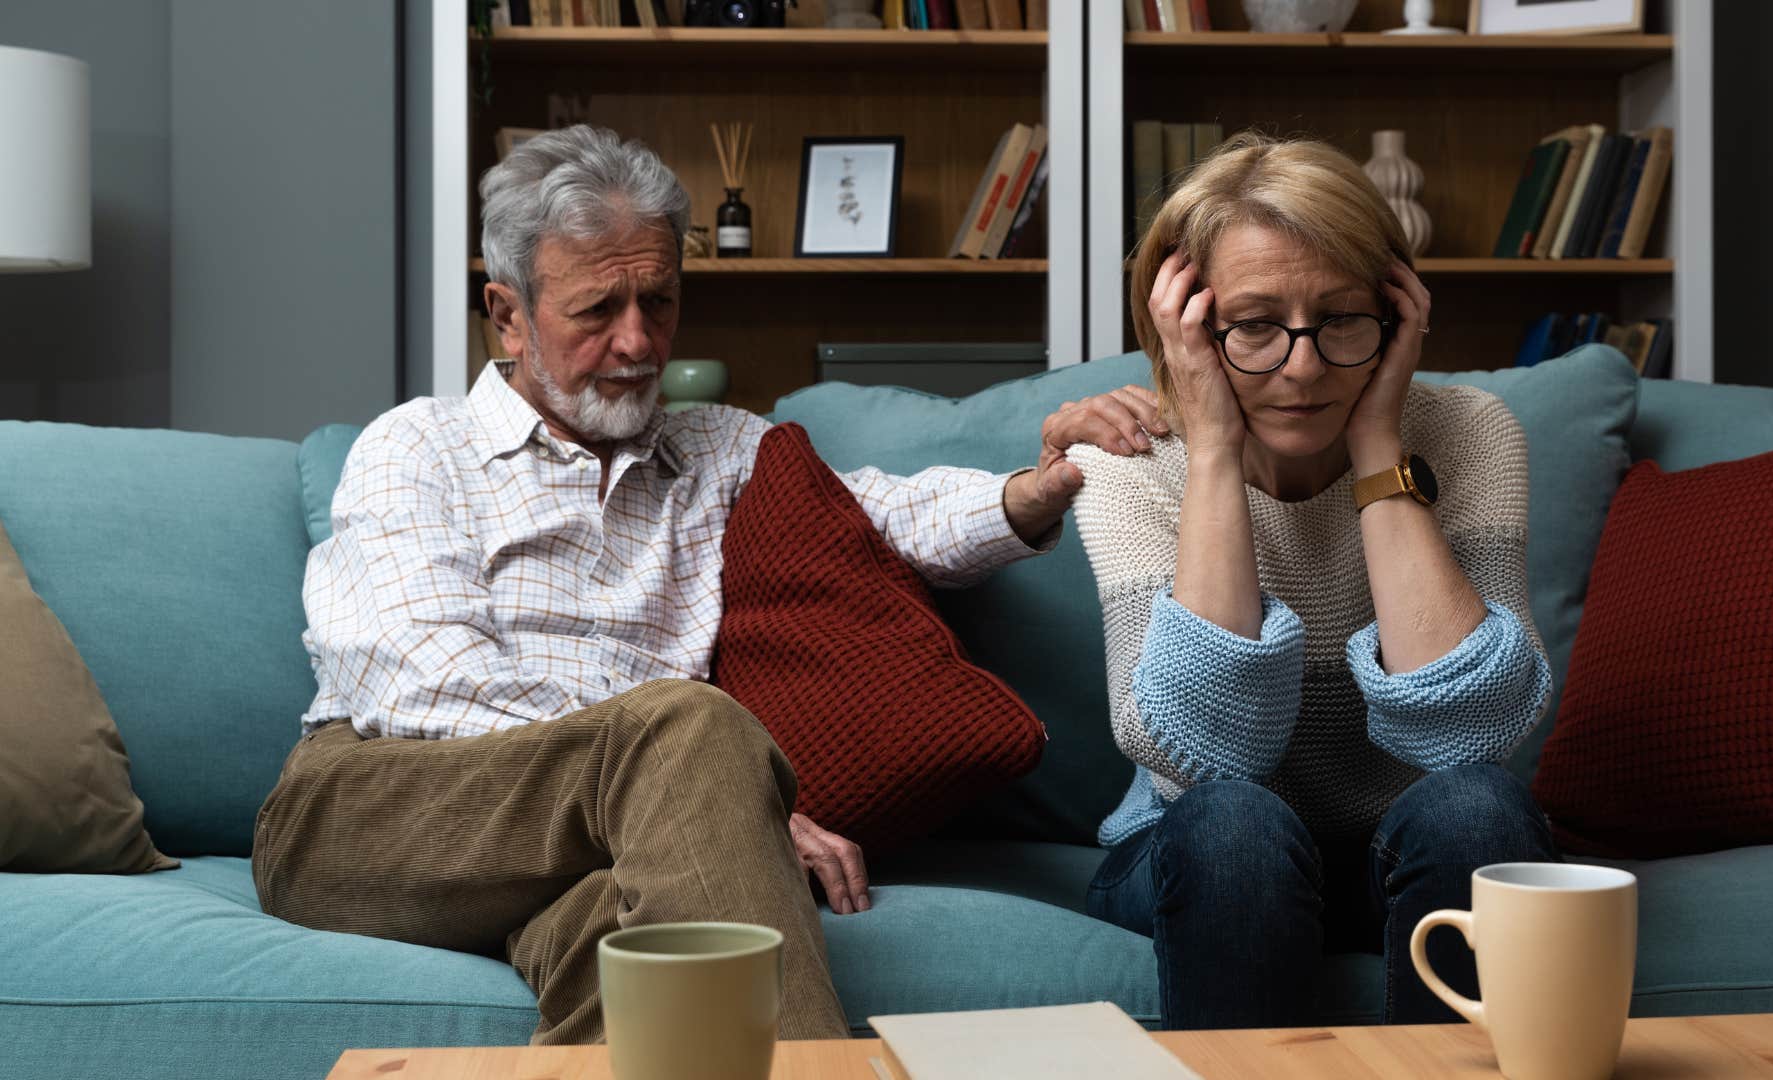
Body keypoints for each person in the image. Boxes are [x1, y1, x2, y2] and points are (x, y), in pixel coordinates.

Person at [250, 125, 1157, 1045]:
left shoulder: (717, 448)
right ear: (509, 314)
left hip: (607, 838)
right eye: (598, 309)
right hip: (378, 805)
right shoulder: (418, 446)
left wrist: (1037, 489)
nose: (639, 341)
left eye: (660, 301)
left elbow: (887, 517)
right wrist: (721, 796)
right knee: (692, 724)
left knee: (645, 955)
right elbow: (424, 682)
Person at [1065, 133, 1560, 1030]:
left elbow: (1473, 732)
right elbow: (1199, 754)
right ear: (1184, 324)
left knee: (1479, 807)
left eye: (1342, 319)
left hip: (1402, 850)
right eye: (1254, 324)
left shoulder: (1473, 433)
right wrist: (1212, 451)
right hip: (1198, 852)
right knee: (1233, 824)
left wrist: (1378, 444)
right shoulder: (1127, 463)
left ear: (1395, 314)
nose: (1303, 367)